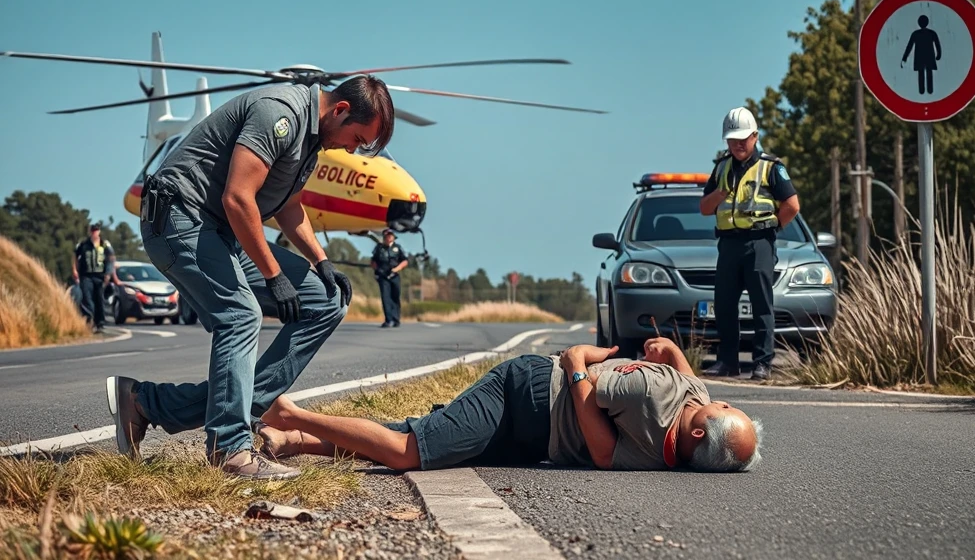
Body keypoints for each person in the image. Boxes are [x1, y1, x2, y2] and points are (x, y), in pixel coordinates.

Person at [105, 75, 395, 480]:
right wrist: (274, 275)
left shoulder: (313, 140)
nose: (353, 149)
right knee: (240, 316)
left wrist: (321, 261)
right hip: (180, 219)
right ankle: (229, 449)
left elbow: (288, 205)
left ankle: (149, 404)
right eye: (357, 139)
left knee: (325, 302)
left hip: (223, 230)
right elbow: (238, 197)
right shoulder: (281, 112)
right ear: (341, 111)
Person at [251, 337, 763, 473]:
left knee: (427, 440)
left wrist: (580, 364)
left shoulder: (668, 432)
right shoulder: (667, 398)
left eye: (725, 412)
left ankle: (293, 440)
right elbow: (599, 441)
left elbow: (603, 450)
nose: (721, 401)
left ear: (698, 435)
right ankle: (291, 413)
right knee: (412, 451)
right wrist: (579, 366)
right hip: (522, 395)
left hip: (540, 426)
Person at [699, 107, 800, 381]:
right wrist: (722, 191)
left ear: (755, 136)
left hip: (759, 242)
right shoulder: (721, 168)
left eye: (743, 138)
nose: (738, 144)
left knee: (761, 304)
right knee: (725, 304)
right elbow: (705, 208)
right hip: (729, 244)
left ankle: (762, 363)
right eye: (733, 140)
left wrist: (773, 227)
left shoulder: (771, 167)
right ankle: (728, 361)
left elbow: (792, 205)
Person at [73, 223, 120, 333]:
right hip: (86, 276)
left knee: (99, 299)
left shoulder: (104, 244)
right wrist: (74, 270)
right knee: (87, 298)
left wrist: (109, 274)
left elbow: (111, 259)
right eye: (93, 230)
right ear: (90, 231)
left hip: (100, 276)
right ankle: (89, 320)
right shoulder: (83, 244)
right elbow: (75, 255)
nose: (95, 232)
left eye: (96, 230)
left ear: (99, 231)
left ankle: (100, 323)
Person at [370, 229, 408, 328]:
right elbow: (373, 261)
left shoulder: (397, 248)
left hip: (394, 275)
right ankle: (388, 320)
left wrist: (397, 269)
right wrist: (377, 270)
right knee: (386, 297)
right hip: (383, 276)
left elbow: (405, 261)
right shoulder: (379, 248)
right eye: (387, 236)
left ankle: (396, 319)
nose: (389, 237)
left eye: (391, 235)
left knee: (395, 296)